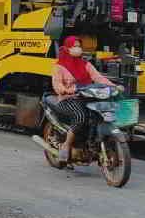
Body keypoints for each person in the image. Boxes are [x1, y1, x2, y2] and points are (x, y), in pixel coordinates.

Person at [50, 35, 117, 164]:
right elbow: (57, 84)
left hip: (86, 97)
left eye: (79, 46)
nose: (78, 48)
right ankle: (66, 145)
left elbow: (98, 78)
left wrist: (114, 86)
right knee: (80, 116)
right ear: (67, 48)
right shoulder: (59, 66)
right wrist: (65, 90)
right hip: (68, 99)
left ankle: (91, 142)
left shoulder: (86, 64)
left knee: (98, 114)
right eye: (75, 46)